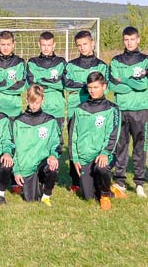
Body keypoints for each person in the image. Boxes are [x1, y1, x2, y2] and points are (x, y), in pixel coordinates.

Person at [108, 26, 148, 198]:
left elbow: (144, 84)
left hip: (139, 110)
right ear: (123, 40)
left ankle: (140, 183)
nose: (129, 42)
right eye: (126, 39)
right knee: (121, 147)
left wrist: (125, 80)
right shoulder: (116, 61)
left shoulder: (146, 60)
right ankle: (120, 181)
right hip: (121, 109)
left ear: (138, 39)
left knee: (140, 147)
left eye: (132, 39)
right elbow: (113, 85)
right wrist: (133, 81)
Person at [63, 30, 108, 193]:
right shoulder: (71, 65)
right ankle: (75, 181)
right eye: (79, 45)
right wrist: (87, 84)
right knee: (74, 143)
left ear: (92, 43)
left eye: (85, 44)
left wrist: (80, 84)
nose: (82, 48)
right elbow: (67, 84)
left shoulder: (102, 65)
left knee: (94, 142)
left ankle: (97, 175)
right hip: (77, 110)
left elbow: (104, 87)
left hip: (97, 112)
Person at [69, 72, 120, 210]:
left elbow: (114, 134)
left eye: (96, 87)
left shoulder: (112, 109)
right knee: (87, 196)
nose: (92, 90)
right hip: (85, 157)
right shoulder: (80, 109)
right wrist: (75, 158)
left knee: (101, 167)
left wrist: (105, 152)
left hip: (102, 155)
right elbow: (73, 135)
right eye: (90, 87)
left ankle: (105, 195)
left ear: (104, 87)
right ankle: (110, 188)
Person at [12, 85, 60, 206]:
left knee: (52, 167)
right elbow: (14, 148)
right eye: (31, 102)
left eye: (37, 102)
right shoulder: (18, 122)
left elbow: (57, 143)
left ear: (42, 100)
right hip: (26, 166)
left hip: (43, 162)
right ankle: (34, 182)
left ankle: (46, 195)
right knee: (31, 200)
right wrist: (16, 171)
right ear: (26, 99)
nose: (34, 105)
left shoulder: (50, 120)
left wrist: (53, 155)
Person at [26, 32, 67, 138]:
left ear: (54, 45)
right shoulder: (32, 62)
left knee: (57, 141)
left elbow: (64, 84)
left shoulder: (61, 62)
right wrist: (53, 82)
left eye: (49, 45)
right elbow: (31, 85)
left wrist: (41, 80)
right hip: (39, 107)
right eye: (43, 45)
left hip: (56, 107)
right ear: (39, 45)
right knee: (38, 139)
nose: (46, 48)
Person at [0, 31, 27, 121]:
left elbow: (21, 87)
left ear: (13, 44)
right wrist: (12, 82)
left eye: (8, 44)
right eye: (3, 44)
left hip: (15, 110)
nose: (6, 47)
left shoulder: (20, 62)